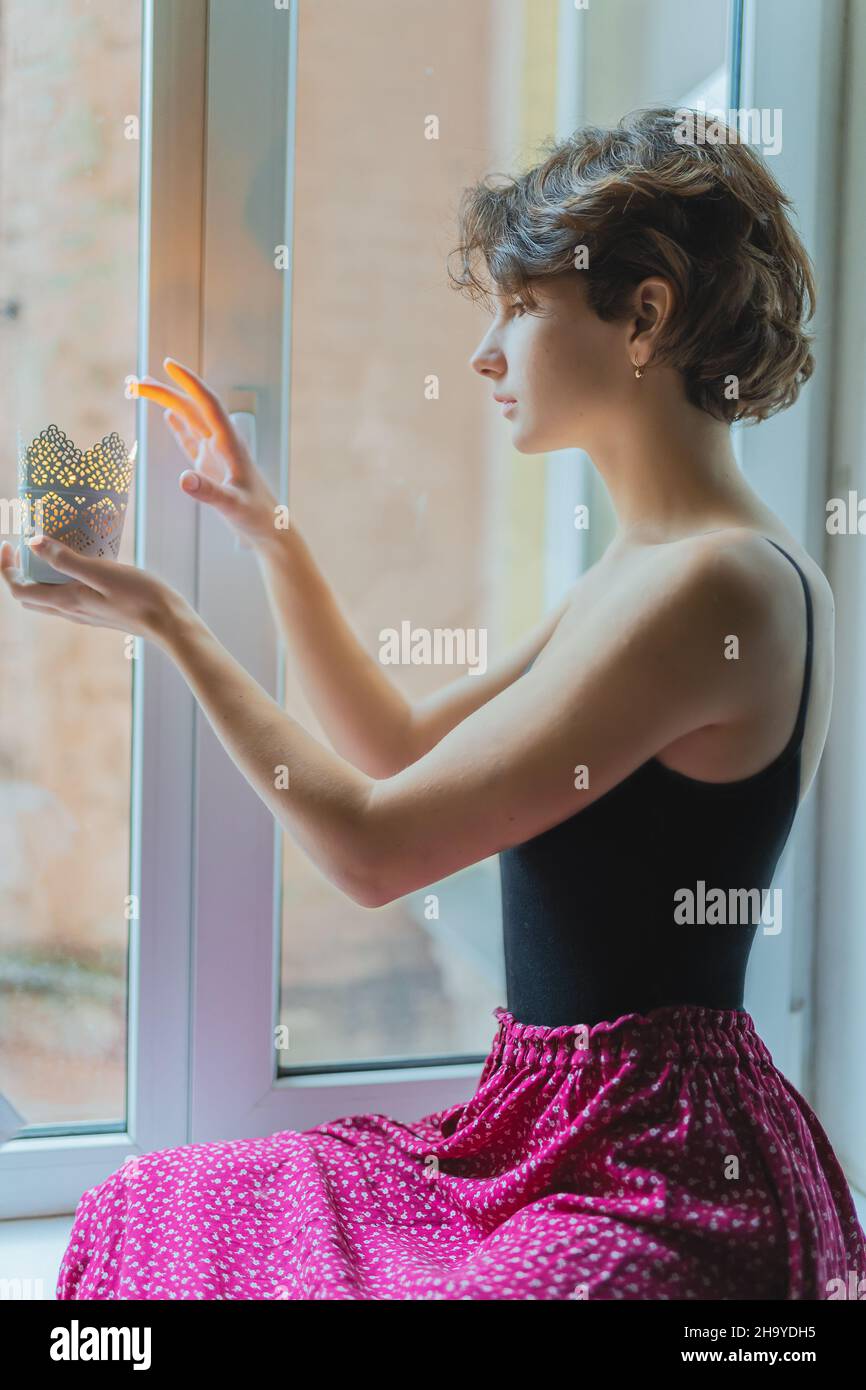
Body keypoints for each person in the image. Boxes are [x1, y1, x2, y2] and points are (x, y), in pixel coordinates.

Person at [5, 107, 864, 1300]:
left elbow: (370, 847)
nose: (484, 354)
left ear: (645, 315)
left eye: (520, 305)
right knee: (148, 1201)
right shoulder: (655, 569)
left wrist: (171, 626)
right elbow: (396, 752)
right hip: (548, 1137)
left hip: (662, 1177)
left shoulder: (710, 586)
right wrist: (274, 538)